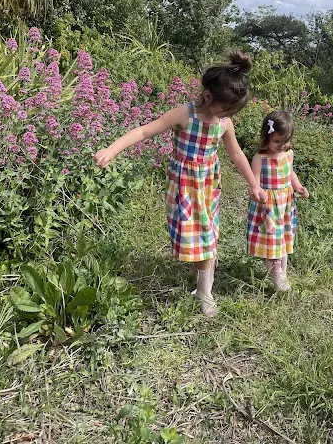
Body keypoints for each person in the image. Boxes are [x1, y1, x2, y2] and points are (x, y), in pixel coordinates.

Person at [94, 51, 266, 318]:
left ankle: (204, 291)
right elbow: (143, 131)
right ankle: (200, 268)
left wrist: (253, 184)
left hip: (208, 185)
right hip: (183, 185)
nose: (228, 115)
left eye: (232, 111)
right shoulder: (185, 114)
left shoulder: (224, 124)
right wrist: (112, 149)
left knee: (208, 236)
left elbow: (236, 154)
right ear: (208, 97)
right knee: (189, 233)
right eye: (226, 108)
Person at [247, 110, 309, 292]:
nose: (282, 145)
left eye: (286, 141)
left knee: (282, 239)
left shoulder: (288, 154)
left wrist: (298, 187)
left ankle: (282, 271)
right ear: (266, 137)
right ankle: (276, 274)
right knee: (271, 241)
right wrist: (256, 192)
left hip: (284, 205)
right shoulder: (260, 158)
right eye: (277, 141)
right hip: (268, 206)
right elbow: (254, 179)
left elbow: (290, 173)